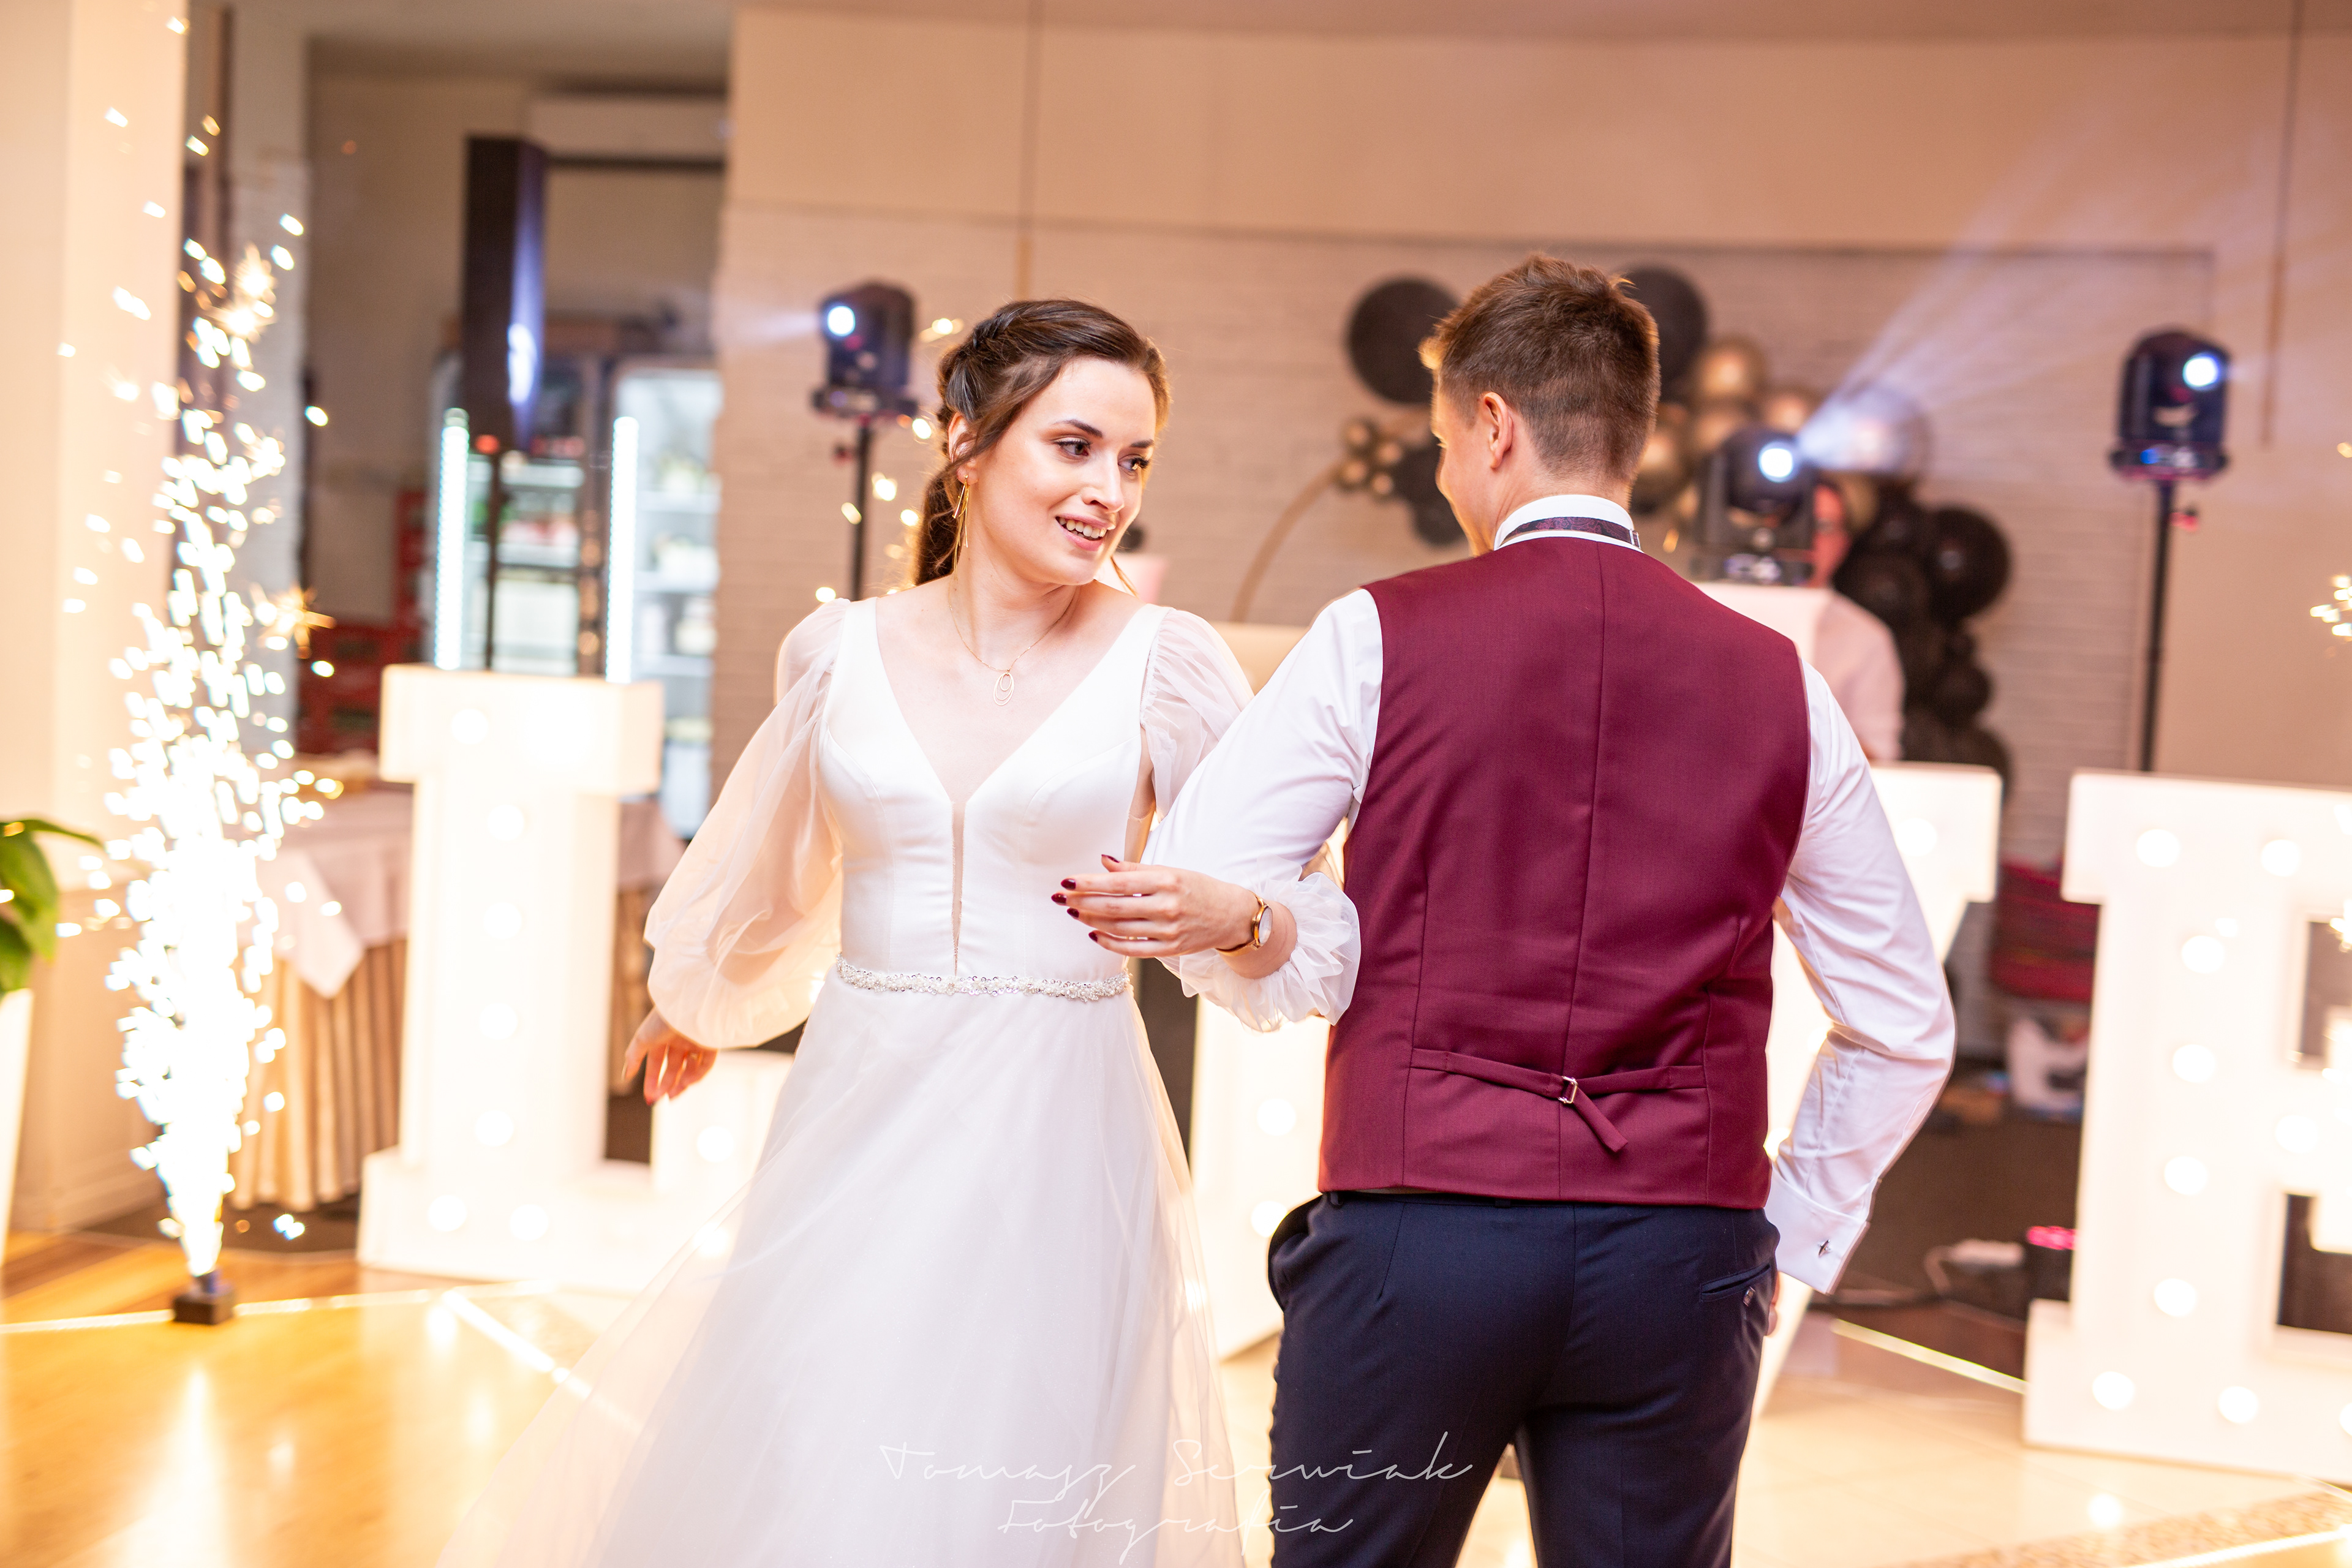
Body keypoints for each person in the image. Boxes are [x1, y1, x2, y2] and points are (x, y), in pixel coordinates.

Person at [1065, 256, 1954, 1567]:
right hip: (1680, 1255)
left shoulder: (1375, 634)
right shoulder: (1787, 684)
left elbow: (1208, 871)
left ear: (1492, 426)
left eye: (1440, 445)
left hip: (1416, 1241)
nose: (1443, 475)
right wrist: (1788, 1234)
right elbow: (1903, 1022)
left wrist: (1301, 934)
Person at [437, 300, 1354, 1568]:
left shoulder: (1169, 661)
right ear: (964, 440)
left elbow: (1304, 917)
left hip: (1059, 1125)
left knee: (1019, 1460)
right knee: (818, 1431)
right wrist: (695, 998)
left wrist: (1238, 915)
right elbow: (777, 867)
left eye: (1135, 460)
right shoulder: (836, 649)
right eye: (1075, 446)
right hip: (859, 1099)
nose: (1109, 492)